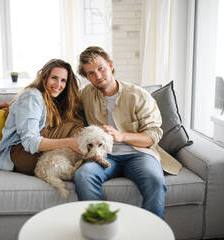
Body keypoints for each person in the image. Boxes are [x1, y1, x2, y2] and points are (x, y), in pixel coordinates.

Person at [74, 46, 180, 219]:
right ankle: (102, 229)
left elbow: (152, 136)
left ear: (110, 65)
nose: (98, 76)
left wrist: (121, 136)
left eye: (101, 68)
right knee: (83, 175)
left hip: (139, 154)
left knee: (155, 180)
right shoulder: (85, 94)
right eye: (90, 73)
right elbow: (62, 104)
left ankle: (148, 234)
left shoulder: (138, 95)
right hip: (103, 155)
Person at [0, 59, 84, 175]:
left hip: (28, 151)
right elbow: (30, 141)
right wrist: (69, 142)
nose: (58, 85)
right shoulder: (32, 97)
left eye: (63, 80)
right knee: (76, 123)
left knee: (74, 115)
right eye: (54, 78)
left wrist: (13, 106)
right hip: (20, 154)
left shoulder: (47, 98)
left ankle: (84, 156)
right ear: (44, 77)